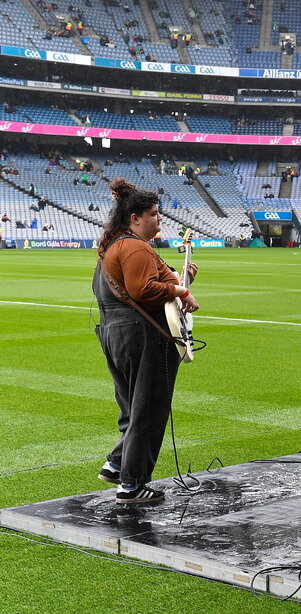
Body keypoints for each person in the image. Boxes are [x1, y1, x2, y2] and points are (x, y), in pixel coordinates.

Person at [92, 178, 199, 504]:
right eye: (153, 213)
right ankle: (132, 484)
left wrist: (182, 280)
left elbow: (136, 287)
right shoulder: (135, 246)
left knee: (133, 409)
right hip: (142, 335)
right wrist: (179, 290)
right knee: (149, 409)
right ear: (135, 217)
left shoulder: (114, 247)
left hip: (115, 332)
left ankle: (117, 464)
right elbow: (142, 291)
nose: (159, 219)